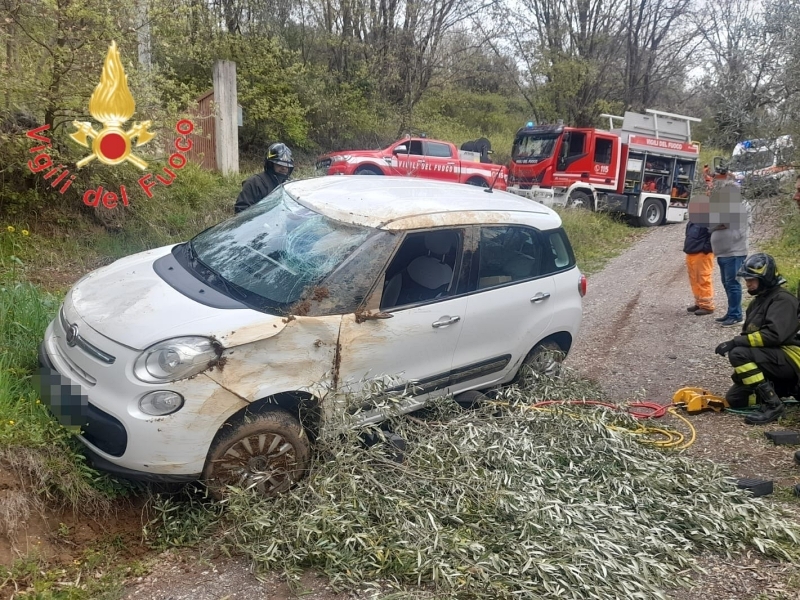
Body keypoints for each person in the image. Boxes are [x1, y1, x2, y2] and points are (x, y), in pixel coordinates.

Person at [714, 253, 800, 425]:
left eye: (752, 279)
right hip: (775, 359)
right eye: (746, 279)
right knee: (735, 399)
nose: (748, 283)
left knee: (738, 353)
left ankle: (773, 405)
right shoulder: (757, 302)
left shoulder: (783, 300)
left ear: (765, 278)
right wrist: (742, 375)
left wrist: (734, 342)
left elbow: (773, 336)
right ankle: (781, 389)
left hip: (792, 358)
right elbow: (751, 337)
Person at [709, 180, 748, 327]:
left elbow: (724, 222)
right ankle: (732, 312)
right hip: (723, 253)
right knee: (727, 284)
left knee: (733, 284)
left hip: (734, 252)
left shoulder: (741, 206)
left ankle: (736, 316)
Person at [233, 143, 294, 214]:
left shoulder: (289, 185)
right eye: (279, 164)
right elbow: (241, 211)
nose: (284, 168)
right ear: (270, 164)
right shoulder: (254, 183)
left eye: (287, 166)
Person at [684, 222, 715, 316]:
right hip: (692, 253)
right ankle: (699, 303)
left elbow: (714, 235)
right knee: (694, 280)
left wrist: (706, 249)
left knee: (703, 279)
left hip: (702, 254)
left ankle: (707, 306)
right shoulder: (693, 221)